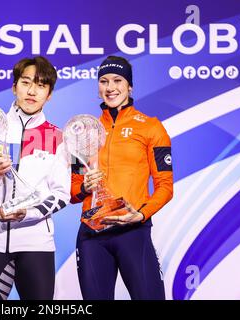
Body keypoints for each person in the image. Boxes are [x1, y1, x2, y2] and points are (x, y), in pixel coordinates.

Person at [0, 56, 71, 300]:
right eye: (26, 82)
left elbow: (62, 194)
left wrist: (28, 213)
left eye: (41, 85)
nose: (32, 91)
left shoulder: (57, 136)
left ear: (49, 94)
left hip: (36, 244)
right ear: (14, 86)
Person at [70, 56, 173, 300]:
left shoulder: (151, 127)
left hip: (132, 230)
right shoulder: (82, 130)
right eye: (104, 81)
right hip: (92, 234)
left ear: (130, 87)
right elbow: (73, 191)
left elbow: (165, 187)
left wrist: (141, 214)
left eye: (117, 80)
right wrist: (84, 186)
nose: (110, 87)